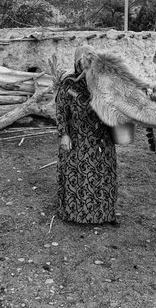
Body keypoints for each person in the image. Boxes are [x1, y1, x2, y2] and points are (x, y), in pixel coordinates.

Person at [55, 45, 118, 225]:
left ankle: (105, 215)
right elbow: (60, 111)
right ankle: (75, 215)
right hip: (78, 138)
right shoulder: (69, 84)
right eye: (84, 62)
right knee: (79, 175)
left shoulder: (102, 83)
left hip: (102, 137)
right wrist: (64, 134)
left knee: (104, 175)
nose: (88, 66)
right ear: (77, 63)